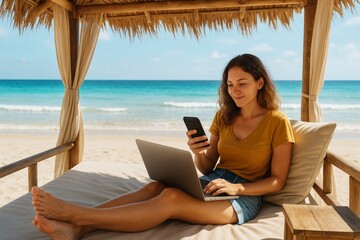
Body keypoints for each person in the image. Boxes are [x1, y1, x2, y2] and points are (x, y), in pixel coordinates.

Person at [31, 53, 295, 239]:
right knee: (156, 187)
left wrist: (238, 187)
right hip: (215, 182)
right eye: (229, 84)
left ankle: (77, 215)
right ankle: (77, 228)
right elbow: (206, 165)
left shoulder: (277, 122)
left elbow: (277, 181)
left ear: (260, 83)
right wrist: (197, 152)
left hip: (244, 197)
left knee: (171, 197)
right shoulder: (223, 117)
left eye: (242, 83)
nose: (234, 90)